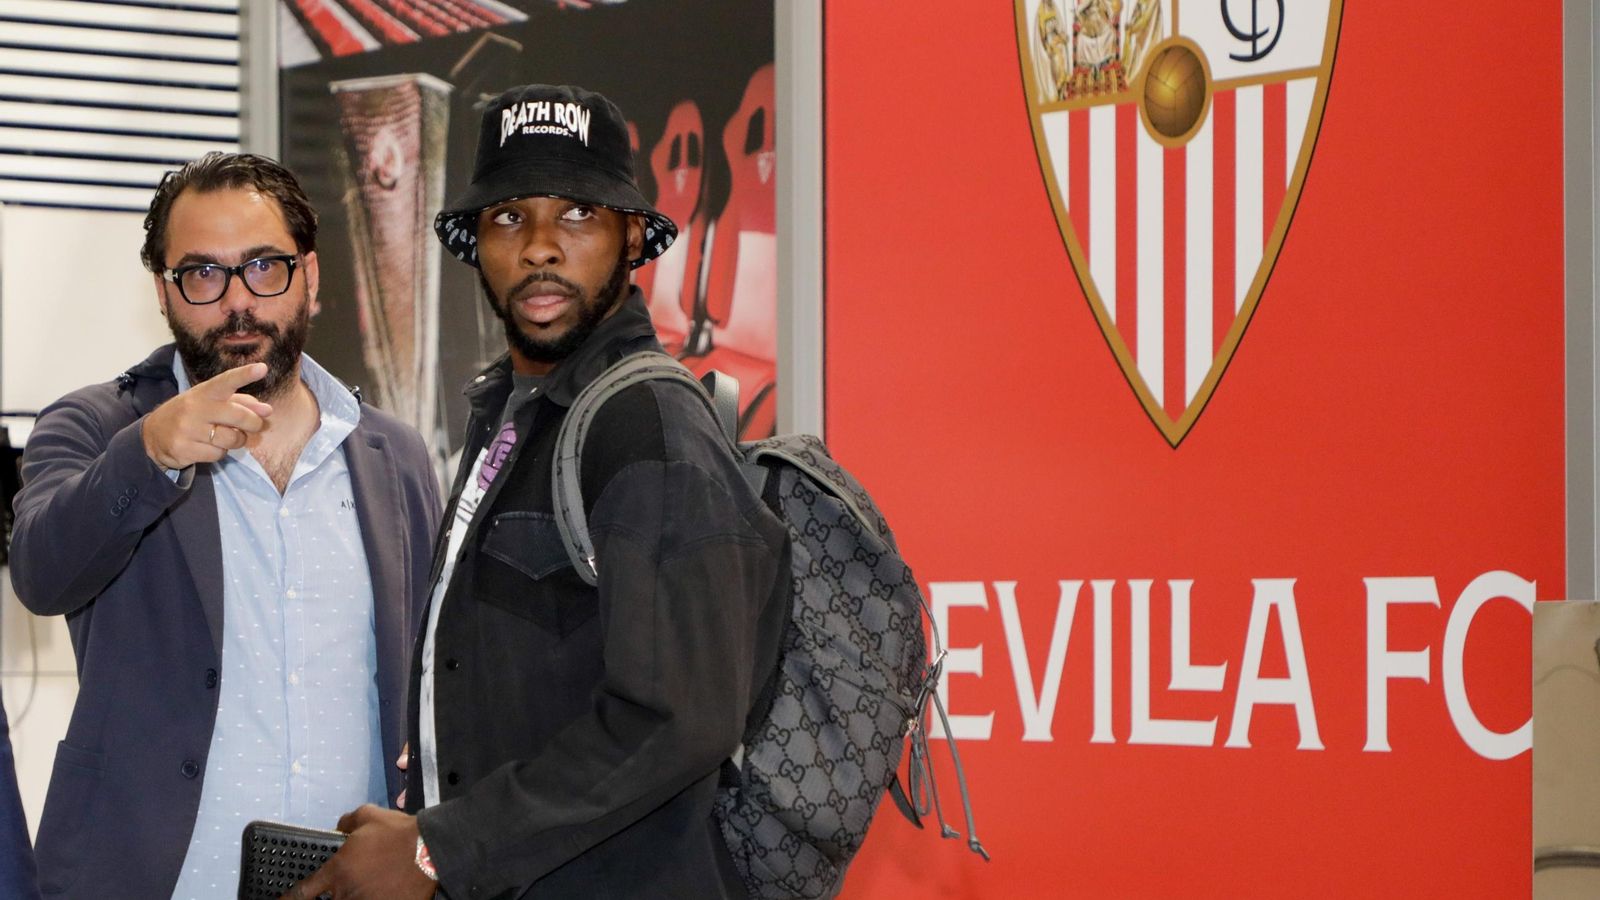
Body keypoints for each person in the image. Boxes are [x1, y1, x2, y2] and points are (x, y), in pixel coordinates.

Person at [289, 84, 790, 900]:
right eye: (510, 217)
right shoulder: (511, 415)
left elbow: (675, 720)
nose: (541, 247)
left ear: (633, 238)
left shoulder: (649, 427)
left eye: (579, 215)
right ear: (476, 243)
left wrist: (438, 851)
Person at [8, 152, 442, 898]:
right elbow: (42, 575)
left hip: (347, 883)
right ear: (165, 292)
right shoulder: (96, 427)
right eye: (202, 275)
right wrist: (149, 454)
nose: (237, 302)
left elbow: (432, 672)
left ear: (310, 277)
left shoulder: (393, 455)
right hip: (148, 879)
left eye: (263, 268)